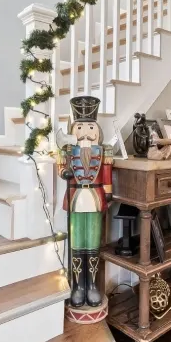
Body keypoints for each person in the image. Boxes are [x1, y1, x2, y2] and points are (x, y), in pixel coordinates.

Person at [57, 96, 113, 308]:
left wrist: (108, 191)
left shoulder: (103, 152)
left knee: (93, 242)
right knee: (77, 241)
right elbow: (61, 168)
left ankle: (92, 286)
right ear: (73, 131)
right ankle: (78, 286)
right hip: (76, 199)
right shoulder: (68, 152)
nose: (86, 132)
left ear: (97, 131)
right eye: (80, 127)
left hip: (95, 199)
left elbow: (106, 174)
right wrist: (64, 172)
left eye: (91, 127)